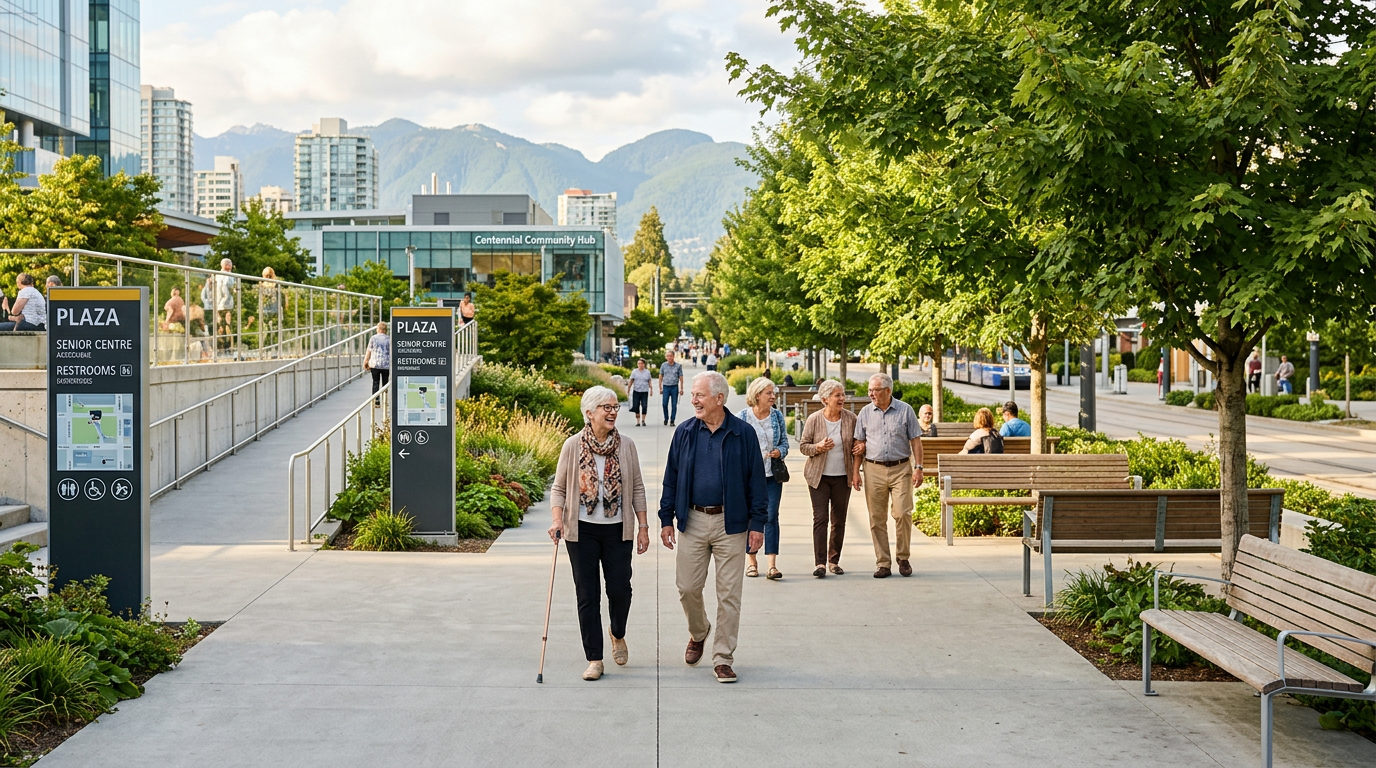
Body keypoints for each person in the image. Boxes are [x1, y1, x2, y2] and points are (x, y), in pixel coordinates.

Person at [659, 371, 767, 684]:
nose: (693, 400)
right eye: (693, 395)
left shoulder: (743, 434)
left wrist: (757, 524)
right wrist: (666, 518)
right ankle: (699, 631)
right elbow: (672, 477)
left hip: (730, 524)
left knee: (729, 595)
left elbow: (756, 482)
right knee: (688, 588)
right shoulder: (685, 432)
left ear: (719, 398)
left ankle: (722, 658)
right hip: (692, 521)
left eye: (700, 395)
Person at [548, 386, 650, 681]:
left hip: (618, 529)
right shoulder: (572, 446)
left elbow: (638, 488)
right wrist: (557, 520)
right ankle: (594, 657)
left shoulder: (626, 445)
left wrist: (642, 527)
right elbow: (558, 488)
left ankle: (617, 632)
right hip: (581, 530)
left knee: (620, 590)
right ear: (589, 413)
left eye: (615, 407)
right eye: (606, 407)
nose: (612, 412)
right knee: (587, 594)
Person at [852, 373, 924, 578]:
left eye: (875, 390)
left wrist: (918, 467)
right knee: (876, 518)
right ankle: (883, 562)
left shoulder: (905, 410)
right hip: (873, 469)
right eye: (869, 390)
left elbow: (916, 442)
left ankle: (903, 557)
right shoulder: (865, 412)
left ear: (888, 391)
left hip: (901, 469)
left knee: (902, 513)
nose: (871, 394)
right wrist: (856, 472)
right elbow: (858, 444)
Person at [800, 379, 860, 577]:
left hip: (843, 477)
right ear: (825, 399)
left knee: (839, 520)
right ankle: (820, 564)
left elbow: (858, 446)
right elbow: (803, 446)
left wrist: (857, 465)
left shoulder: (851, 419)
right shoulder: (814, 419)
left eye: (842, 395)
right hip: (819, 478)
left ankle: (833, 561)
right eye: (837, 395)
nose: (842, 398)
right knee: (820, 519)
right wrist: (818, 447)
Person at [739, 377, 789, 581]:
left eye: (773, 392)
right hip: (748, 477)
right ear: (757, 395)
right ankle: (751, 561)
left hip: (772, 475)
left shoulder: (777, 416)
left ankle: (772, 565)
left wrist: (780, 451)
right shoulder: (742, 417)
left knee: (771, 517)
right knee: (750, 516)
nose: (773, 396)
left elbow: (785, 442)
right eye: (769, 392)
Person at [363, 321, 390, 405]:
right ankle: (385, 401)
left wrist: (366, 361)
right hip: (386, 365)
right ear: (385, 330)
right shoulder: (389, 339)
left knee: (375, 382)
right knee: (385, 383)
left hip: (375, 364)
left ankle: (376, 400)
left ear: (378, 329)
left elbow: (369, 351)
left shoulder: (373, 338)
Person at [212, 259, 238, 338]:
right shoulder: (229, 276)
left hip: (218, 304)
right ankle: (228, 344)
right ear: (228, 265)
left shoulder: (216, 276)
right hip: (227, 303)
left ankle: (220, 343)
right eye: (230, 265)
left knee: (220, 324)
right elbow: (230, 286)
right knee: (228, 324)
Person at [660, 350, 684, 426]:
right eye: (668, 356)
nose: (669, 357)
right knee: (664, 404)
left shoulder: (678, 366)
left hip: (674, 387)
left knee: (674, 405)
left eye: (671, 356)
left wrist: (681, 388)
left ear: (673, 356)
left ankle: (672, 420)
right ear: (666, 357)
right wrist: (660, 387)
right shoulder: (663, 365)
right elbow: (660, 376)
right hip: (666, 386)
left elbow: (681, 377)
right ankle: (666, 418)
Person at [628, 359, 654, 427]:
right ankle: (638, 421)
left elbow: (649, 381)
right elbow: (631, 380)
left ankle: (643, 420)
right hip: (636, 391)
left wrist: (651, 389)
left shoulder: (647, 372)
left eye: (641, 363)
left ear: (644, 364)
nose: (640, 365)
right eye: (639, 363)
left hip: (644, 391)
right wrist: (629, 388)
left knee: (644, 406)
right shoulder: (634, 371)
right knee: (636, 406)